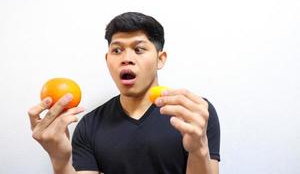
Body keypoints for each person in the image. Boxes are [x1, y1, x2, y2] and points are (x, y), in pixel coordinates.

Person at [28, 12, 220, 174]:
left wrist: (198, 149)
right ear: (107, 59)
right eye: (117, 50)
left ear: (160, 59)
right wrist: (60, 160)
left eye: (139, 49)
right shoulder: (89, 126)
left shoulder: (193, 113)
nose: (126, 59)